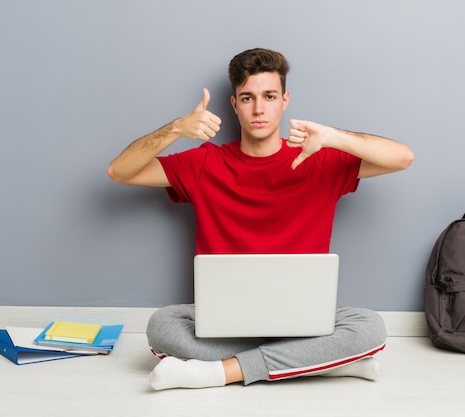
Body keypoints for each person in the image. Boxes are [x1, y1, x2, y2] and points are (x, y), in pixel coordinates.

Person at [107, 48, 414, 390]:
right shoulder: (204, 163)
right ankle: (319, 362)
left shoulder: (318, 160)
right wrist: (177, 128)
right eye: (247, 98)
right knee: (162, 325)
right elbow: (119, 171)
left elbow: (402, 157)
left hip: (303, 318)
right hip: (226, 321)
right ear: (234, 104)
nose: (258, 108)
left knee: (369, 326)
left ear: (285, 100)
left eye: (269, 96)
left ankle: (221, 372)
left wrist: (332, 137)